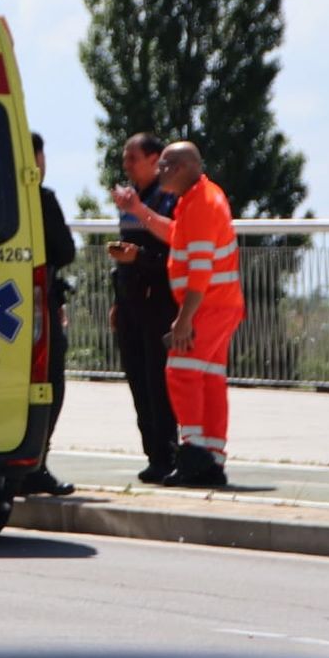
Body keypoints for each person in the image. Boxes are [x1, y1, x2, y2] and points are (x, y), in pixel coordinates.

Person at [144, 141, 244, 487]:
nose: (159, 172)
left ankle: (195, 453)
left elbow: (200, 269)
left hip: (208, 305)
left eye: (165, 166)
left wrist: (184, 319)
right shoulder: (199, 198)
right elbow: (178, 237)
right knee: (209, 379)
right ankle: (211, 459)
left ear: (184, 167)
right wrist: (140, 212)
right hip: (221, 303)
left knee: (181, 372)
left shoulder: (200, 203)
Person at [107, 133, 180, 484]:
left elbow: (175, 254)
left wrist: (141, 258)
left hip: (158, 306)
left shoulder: (168, 201)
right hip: (131, 304)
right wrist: (118, 301)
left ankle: (167, 455)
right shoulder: (132, 203)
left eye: (133, 158)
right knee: (137, 381)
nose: (127, 164)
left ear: (155, 160)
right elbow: (127, 256)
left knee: (158, 383)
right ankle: (152, 453)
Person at [25, 131, 77, 497]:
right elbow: (64, 250)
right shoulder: (40, 200)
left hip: (29, 303)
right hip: (34, 303)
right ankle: (36, 463)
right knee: (48, 381)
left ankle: (31, 462)